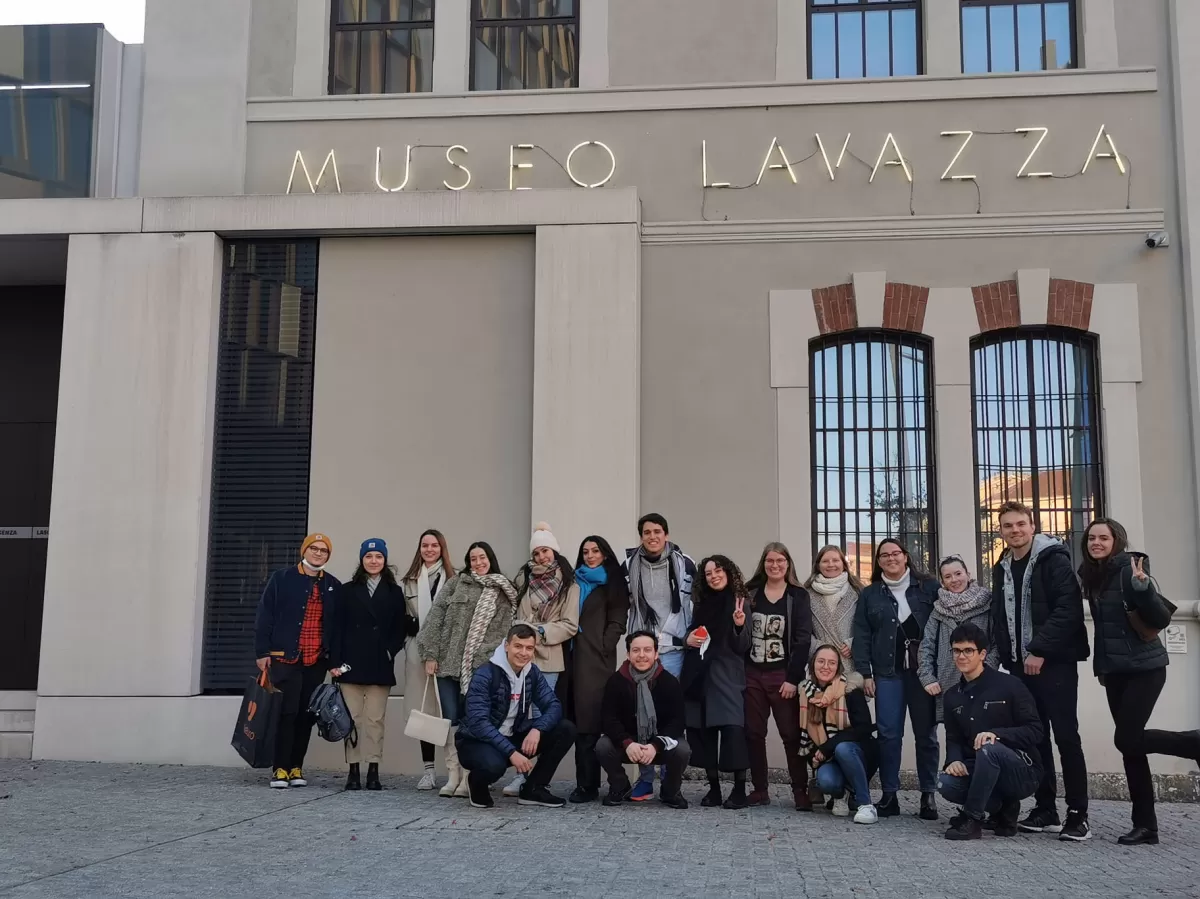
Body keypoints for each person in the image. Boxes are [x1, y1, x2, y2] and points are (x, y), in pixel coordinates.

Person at [1078, 517, 1200, 845]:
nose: (1096, 543)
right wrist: (1103, 668)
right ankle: (1146, 826)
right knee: (1131, 748)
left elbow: (1160, 618)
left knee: (1127, 739)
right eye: (1091, 538)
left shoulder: (1131, 570)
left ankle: (1193, 743)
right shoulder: (1092, 575)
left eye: (1103, 538)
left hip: (1146, 669)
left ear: (1116, 541)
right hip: (1115, 671)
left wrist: (1144, 589)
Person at [990, 500, 1091, 841]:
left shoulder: (1054, 559)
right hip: (1019, 666)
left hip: (1054, 663)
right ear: (1000, 531)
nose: (1014, 530)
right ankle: (1046, 808)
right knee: (1035, 737)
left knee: (1066, 736)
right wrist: (1007, 657)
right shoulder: (1002, 566)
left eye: (1020, 524)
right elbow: (1000, 615)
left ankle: (1078, 815)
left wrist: (1039, 650)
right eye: (1007, 525)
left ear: (1032, 526)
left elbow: (1068, 610)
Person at [417, 541, 518, 798]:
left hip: (478, 669)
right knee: (450, 720)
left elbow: (501, 632)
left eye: (482, 557)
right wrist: (430, 653)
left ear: (490, 559)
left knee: (471, 720)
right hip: (447, 664)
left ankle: (468, 777)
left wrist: (479, 660)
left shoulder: (501, 590)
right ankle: (453, 774)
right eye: (473, 559)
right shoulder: (456, 584)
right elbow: (435, 618)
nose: (478, 563)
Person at [852, 538, 940, 820]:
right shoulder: (870, 594)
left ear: (905, 556)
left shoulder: (929, 587)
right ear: (878, 562)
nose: (891, 559)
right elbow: (862, 634)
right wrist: (865, 673)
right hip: (887, 672)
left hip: (923, 672)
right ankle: (890, 795)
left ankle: (928, 795)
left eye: (895, 553)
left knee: (926, 734)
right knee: (889, 735)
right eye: (884, 555)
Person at [939, 623, 1044, 840]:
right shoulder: (952, 696)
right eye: (956, 650)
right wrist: (954, 760)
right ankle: (1002, 809)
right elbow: (953, 737)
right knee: (946, 783)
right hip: (979, 767)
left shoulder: (1010, 685)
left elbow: (1035, 731)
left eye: (968, 650)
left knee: (988, 747)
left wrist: (997, 735)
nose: (961, 656)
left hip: (1022, 770)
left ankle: (972, 819)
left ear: (982, 654)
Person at [254, 533, 342, 789]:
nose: (318, 553)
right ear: (304, 550)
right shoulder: (281, 578)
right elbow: (265, 615)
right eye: (314, 548)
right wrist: (262, 652)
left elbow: (336, 627)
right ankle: (279, 768)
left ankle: (296, 767)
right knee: (286, 712)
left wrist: (334, 661)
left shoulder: (333, 585)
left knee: (307, 714)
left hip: (316, 660)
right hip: (285, 658)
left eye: (324, 550)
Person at [456, 624, 577, 809]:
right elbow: (479, 723)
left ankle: (533, 789)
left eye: (529, 648)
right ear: (506, 646)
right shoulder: (485, 674)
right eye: (518, 646)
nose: (523, 653)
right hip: (476, 741)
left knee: (566, 729)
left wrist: (537, 729)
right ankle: (476, 782)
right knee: (493, 766)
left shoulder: (532, 672)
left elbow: (553, 705)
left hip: (511, 735)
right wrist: (512, 753)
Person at [622, 513, 696, 799]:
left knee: (668, 712)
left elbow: (695, 603)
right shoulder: (628, 565)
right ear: (641, 536)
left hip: (674, 650)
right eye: (646, 532)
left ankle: (669, 776)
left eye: (657, 531)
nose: (652, 537)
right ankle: (645, 778)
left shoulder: (685, 563)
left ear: (666, 534)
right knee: (640, 711)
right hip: (643, 650)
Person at [329, 538, 411, 791]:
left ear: (384, 560)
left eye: (378, 556)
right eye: (368, 556)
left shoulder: (394, 592)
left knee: (376, 720)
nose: (373, 561)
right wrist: (334, 662)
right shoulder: (347, 590)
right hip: (350, 664)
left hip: (379, 664)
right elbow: (336, 628)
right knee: (351, 720)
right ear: (361, 560)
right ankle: (353, 770)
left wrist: (389, 650)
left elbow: (400, 627)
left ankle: (373, 769)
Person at [504, 523, 580, 797]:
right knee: (518, 715)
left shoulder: (569, 584)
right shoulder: (524, 580)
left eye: (545, 550)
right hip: (520, 659)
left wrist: (538, 632)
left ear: (554, 551)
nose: (541, 557)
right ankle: (521, 774)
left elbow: (570, 625)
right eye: (536, 553)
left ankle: (535, 777)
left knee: (540, 717)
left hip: (548, 658)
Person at [743, 542, 813, 809]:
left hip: (782, 675)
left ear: (787, 564)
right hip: (752, 674)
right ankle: (760, 789)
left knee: (791, 735)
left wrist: (793, 679)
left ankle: (800, 790)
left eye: (780, 561)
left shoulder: (798, 595)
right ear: (764, 564)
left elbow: (803, 639)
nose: (775, 565)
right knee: (753, 733)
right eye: (770, 561)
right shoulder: (750, 593)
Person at [681, 555, 752, 809]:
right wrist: (687, 639)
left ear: (729, 572)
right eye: (708, 573)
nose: (713, 576)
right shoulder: (700, 604)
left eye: (718, 571)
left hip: (727, 675)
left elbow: (744, 645)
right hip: (699, 675)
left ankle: (740, 790)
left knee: (734, 731)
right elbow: (691, 633)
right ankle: (714, 790)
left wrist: (739, 625)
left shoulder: (740, 601)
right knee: (704, 734)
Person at [568, 535, 631, 804]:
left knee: (590, 723)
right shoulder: (573, 581)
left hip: (595, 661)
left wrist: (604, 646)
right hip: (570, 659)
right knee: (576, 724)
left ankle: (589, 785)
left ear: (605, 554)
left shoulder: (612, 581)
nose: (590, 556)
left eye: (595, 551)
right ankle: (589, 783)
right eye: (585, 552)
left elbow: (618, 620)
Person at [597, 630, 690, 809]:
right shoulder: (616, 681)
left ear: (656, 654)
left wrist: (655, 745)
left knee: (682, 749)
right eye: (636, 650)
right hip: (629, 743)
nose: (641, 655)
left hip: (658, 743)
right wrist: (627, 743)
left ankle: (670, 791)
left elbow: (677, 721)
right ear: (628, 654)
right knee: (603, 746)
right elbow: (608, 718)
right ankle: (620, 786)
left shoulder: (669, 682)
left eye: (647, 650)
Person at [800, 644, 879, 824]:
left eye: (832, 663)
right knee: (826, 781)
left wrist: (827, 747)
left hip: (858, 754)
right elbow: (806, 738)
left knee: (843, 748)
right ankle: (842, 794)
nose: (826, 667)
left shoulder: (850, 690)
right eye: (821, 661)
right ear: (813, 664)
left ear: (838, 667)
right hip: (830, 760)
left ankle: (865, 804)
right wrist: (816, 755)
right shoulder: (807, 694)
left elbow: (863, 730)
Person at [401, 529, 455, 791]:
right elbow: (400, 616)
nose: (430, 549)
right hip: (418, 652)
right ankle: (429, 770)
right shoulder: (409, 581)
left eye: (435, 545)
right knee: (424, 711)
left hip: (448, 652)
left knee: (449, 710)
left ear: (442, 548)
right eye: (425, 545)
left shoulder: (455, 578)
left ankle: (455, 769)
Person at [919, 555, 996, 722]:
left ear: (968, 574)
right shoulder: (938, 611)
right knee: (955, 734)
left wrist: (986, 669)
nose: (954, 580)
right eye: (948, 576)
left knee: (984, 729)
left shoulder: (987, 604)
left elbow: (997, 643)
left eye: (958, 573)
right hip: (949, 685)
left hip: (983, 683)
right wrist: (927, 678)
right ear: (942, 582)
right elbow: (926, 646)